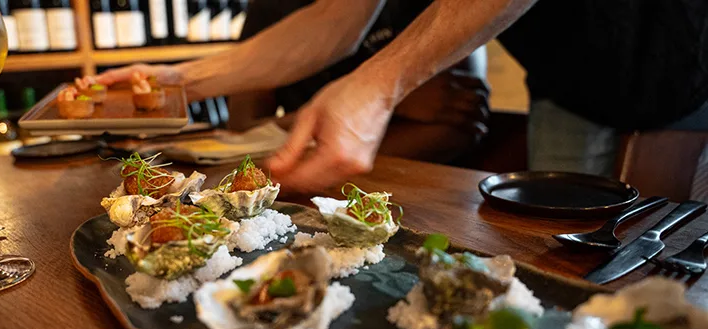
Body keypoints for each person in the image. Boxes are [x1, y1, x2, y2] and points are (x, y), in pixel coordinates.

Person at [96, 0, 708, 192]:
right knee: (579, 274)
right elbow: (339, 17)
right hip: (572, 86)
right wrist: (181, 79)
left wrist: (377, 85)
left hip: (692, 55)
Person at [227, 0, 489, 164]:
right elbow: (243, 132)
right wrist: (390, 100)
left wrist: (305, 145)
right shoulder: (271, 8)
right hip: (312, 190)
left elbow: (461, 119)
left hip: (427, 187)